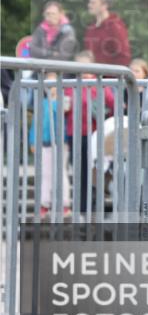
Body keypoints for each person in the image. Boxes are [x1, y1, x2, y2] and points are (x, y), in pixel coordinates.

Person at [66, 50, 115, 215]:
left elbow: (112, 104)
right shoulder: (71, 86)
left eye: (87, 67)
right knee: (79, 171)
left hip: (95, 135)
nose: (84, 72)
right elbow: (64, 108)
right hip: (76, 134)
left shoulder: (100, 85)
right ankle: (81, 206)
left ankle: (95, 204)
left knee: (96, 170)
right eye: (80, 68)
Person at [28, 72, 71, 219]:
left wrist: (57, 100)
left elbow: (65, 114)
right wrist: (33, 140)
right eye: (48, 84)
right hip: (44, 143)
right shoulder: (41, 103)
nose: (51, 87)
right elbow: (35, 123)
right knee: (45, 173)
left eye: (53, 84)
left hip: (61, 142)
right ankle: (44, 204)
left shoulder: (64, 101)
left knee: (61, 173)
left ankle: (63, 204)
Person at [83, 0, 131, 66]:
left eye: (93, 3)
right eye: (89, 2)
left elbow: (123, 57)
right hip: (92, 76)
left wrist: (112, 77)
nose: (89, 5)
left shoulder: (116, 27)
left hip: (109, 77)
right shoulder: (91, 28)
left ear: (105, 5)